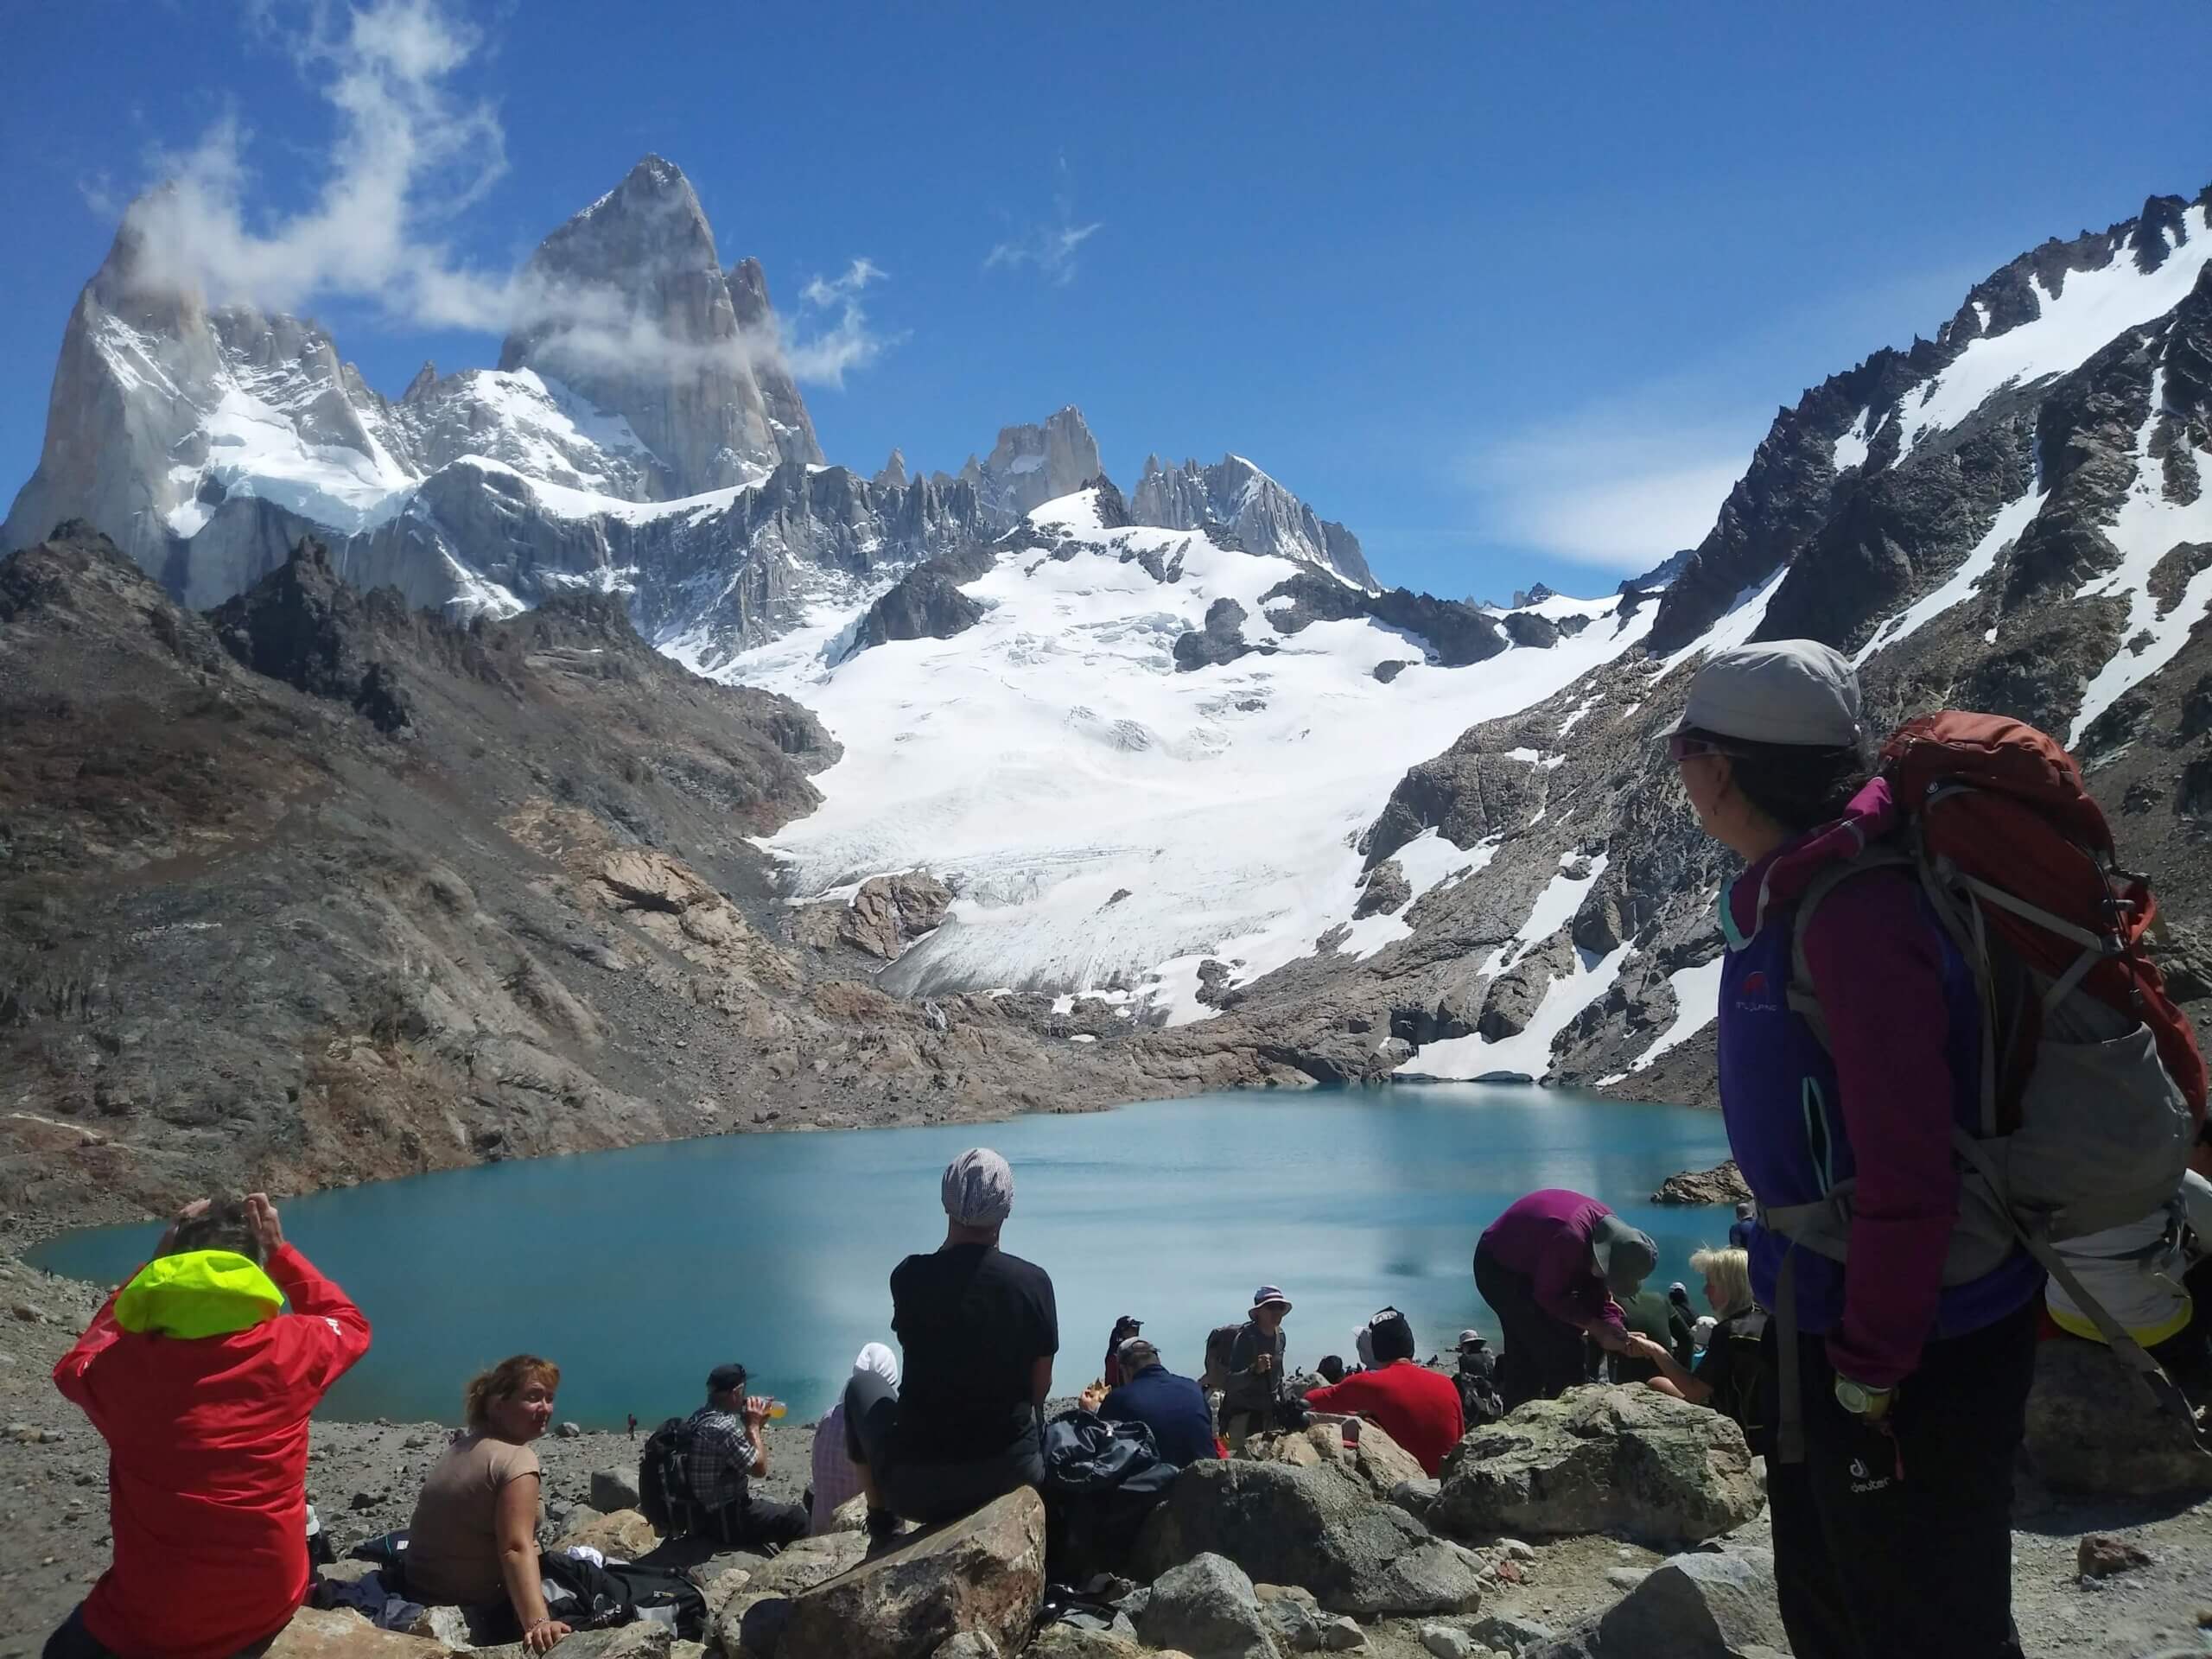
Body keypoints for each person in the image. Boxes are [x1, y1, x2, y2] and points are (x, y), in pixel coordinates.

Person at [1672, 639, 2050, 1659]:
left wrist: (1872, 1366)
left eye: (1685, 753)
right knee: (1843, 1598)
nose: (1681, 775)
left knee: (1922, 1617)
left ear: (1722, 768)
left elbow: (1906, 1161)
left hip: (1909, 1334)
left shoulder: (1852, 913)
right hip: (1834, 1313)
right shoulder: (1804, 890)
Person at [46, 1194, 371, 1659]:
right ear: (253, 1271)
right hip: (267, 1600)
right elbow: (349, 1323)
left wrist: (150, 1271)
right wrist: (282, 1252)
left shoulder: (119, 1370)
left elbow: (75, 1364)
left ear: (169, 1269)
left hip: (153, 1616)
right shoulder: (296, 1347)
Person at [845, 1148, 1058, 1529]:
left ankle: (882, 1526)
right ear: (1007, 1207)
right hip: (1009, 1476)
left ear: (946, 1201)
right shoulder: (1032, 1283)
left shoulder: (909, 1277)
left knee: (862, 1384)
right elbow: (1040, 1388)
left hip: (918, 1489)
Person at [407, 1355, 570, 1653]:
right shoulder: (516, 1459)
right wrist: (538, 1624)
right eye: (533, 1398)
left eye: (549, 1398)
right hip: (471, 1604)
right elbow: (514, 1548)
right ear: (498, 1405)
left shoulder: (462, 1446)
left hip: (420, 1586)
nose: (545, 1408)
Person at [1473, 1190, 1654, 1410]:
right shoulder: (1570, 1238)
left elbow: (1596, 1291)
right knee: (1560, 1350)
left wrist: (1615, 1328)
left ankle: (1524, 1406)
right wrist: (1596, 1327)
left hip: (1536, 1263)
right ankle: (1560, 1415)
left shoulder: (1610, 1237)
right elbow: (1548, 1296)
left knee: (1535, 1349)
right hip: (1499, 1267)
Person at [1624, 1247, 1770, 1450]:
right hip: (1769, 1431)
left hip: (1738, 1435)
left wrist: (1655, 1350)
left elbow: (1695, 1392)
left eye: (1710, 1283)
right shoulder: (1769, 1320)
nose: (1704, 1290)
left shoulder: (1728, 1332)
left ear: (1730, 1287)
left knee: (1656, 1382)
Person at [1302, 1307, 1465, 1475]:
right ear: (1410, 1344)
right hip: (1450, 1481)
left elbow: (1312, 1401)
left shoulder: (1370, 1383)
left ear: (1377, 1349)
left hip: (1407, 1483)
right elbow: (1461, 1440)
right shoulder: (1446, 1383)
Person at [664, 1363, 809, 1550]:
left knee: (773, 1508)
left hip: (700, 1515)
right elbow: (759, 1469)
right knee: (796, 1517)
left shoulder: (700, 1416)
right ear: (736, 1392)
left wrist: (754, 1424)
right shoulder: (722, 1427)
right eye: (743, 1390)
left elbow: (741, 1455)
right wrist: (754, 1426)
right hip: (727, 1520)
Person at [810, 1343, 899, 1534]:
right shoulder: (887, 1424)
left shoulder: (828, 1417)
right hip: (855, 1528)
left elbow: (817, 1472)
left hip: (819, 1526)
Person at [1096, 1337, 1217, 1465]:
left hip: (1159, 1481)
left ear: (1125, 1369)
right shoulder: (1193, 1388)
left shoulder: (1118, 1399)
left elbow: (1101, 1445)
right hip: (1207, 1478)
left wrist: (1090, 1413)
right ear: (1158, 1360)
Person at [1221, 1286, 1296, 1448]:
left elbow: (1279, 1377)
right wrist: (1254, 1370)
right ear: (1258, 1312)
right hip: (1243, 1418)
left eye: (1280, 1307)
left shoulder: (1280, 1336)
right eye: (1271, 1306)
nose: (1277, 1311)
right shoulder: (1245, 1339)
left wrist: (1284, 1405)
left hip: (1269, 1417)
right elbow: (1230, 1383)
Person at [1611, 1284, 1696, 1386]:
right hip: (1667, 1381)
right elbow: (1688, 1338)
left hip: (1627, 1385)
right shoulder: (1661, 1299)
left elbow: (1595, 1348)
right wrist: (1682, 1379)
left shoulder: (1608, 1302)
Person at [1452, 1331, 1505, 1427]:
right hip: (1493, 1394)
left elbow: (1465, 1381)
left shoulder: (1464, 1358)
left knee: (1457, 1380)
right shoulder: (1488, 1357)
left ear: (1466, 1346)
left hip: (1478, 1395)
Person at [1103, 1316, 1143, 1389]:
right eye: (1133, 1328)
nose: (1137, 1331)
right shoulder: (1116, 1355)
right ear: (1123, 1331)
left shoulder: (1139, 1350)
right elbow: (1114, 1383)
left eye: (1137, 1328)